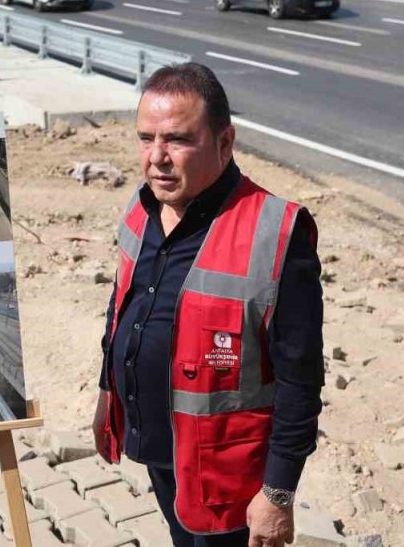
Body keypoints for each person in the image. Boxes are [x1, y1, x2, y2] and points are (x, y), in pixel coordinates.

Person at [93, 63, 323, 547]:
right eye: (146, 138)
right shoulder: (142, 208)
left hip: (230, 480)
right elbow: (122, 305)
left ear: (224, 142)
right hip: (162, 449)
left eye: (177, 140)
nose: (157, 158)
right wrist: (107, 393)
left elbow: (301, 379)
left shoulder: (276, 233)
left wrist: (277, 494)